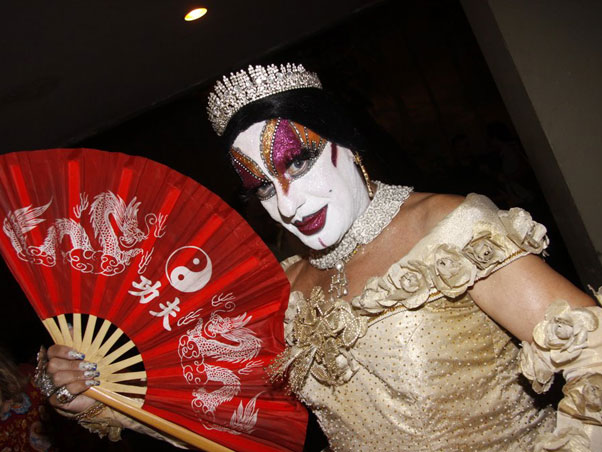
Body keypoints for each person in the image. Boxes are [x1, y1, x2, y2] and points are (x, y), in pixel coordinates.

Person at [41, 63, 602, 451]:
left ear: (348, 143)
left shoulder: (448, 229)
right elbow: (231, 420)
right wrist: (100, 397)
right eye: (262, 187)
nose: (287, 204)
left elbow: (595, 356)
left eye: (298, 161)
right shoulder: (285, 286)